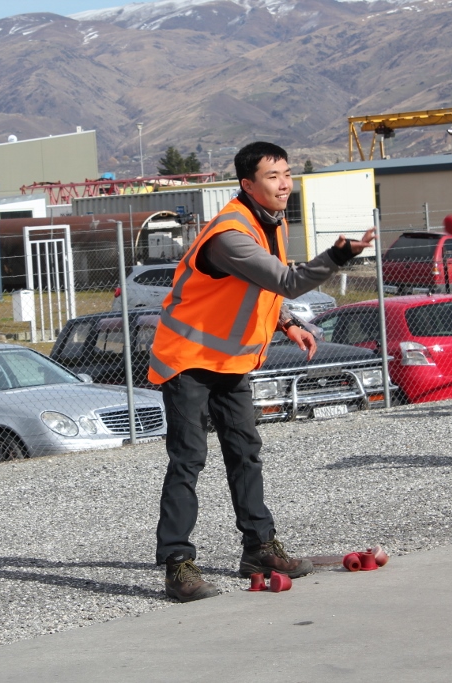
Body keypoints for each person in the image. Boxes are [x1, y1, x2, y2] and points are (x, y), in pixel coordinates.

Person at [148, 141, 376, 602]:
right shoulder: (229, 233)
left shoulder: (268, 222)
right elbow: (286, 280)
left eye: (287, 174)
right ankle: (177, 565)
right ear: (247, 185)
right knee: (189, 460)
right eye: (273, 177)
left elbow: (261, 292)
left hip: (230, 361)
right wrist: (338, 255)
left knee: (245, 453)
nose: (285, 184)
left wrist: (288, 322)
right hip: (188, 360)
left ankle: (259, 549)